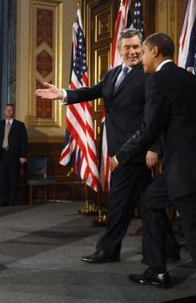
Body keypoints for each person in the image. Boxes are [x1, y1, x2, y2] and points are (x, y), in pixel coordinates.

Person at [111, 33, 196, 303]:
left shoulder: (158, 81)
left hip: (185, 173)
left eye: (142, 51)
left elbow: (149, 128)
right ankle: (157, 268)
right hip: (195, 165)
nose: (140, 58)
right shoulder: (192, 79)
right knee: (150, 200)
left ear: (155, 51)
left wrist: (121, 156)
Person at [35, 28, 161, 264]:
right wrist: (63, 93)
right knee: (149, 203)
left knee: (119, 204)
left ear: (142, 48)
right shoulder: (113, 74)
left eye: (137, 47)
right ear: (120, 49)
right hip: (117, 147)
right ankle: (167, 249)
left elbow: (155, 115)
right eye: (128, 47)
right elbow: (92, 91)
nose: (133, 51)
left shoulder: (148, 74)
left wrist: (154, 146)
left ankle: (108, 250)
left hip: (132, 151)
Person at [0, 104, 28, 206]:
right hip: (2, 155)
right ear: (4, 111)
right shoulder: (1, 124)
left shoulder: (20, 125)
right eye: (7, 110)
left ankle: (12, 200)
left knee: (13, 179)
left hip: (15, 156)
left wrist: (23, 156)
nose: (8, 112)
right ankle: (4, 199)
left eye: (10, 110)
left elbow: (23, 142)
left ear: (13, 112)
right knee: (3, 179)